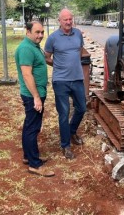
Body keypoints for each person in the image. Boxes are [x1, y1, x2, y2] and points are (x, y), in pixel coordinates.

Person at [44, 9, 87, 160]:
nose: (68, 22)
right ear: (59, 21)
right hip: (60, 81)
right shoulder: (53, 38)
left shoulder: (78, 34)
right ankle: (65, 145)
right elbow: (47, 57)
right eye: (65, 20)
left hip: (77, 79)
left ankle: (72, 131)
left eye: (70, 19)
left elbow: (80, 51)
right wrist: (59, 65)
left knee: (82, 108)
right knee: (64, 113)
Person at [15, 21, 54, 177]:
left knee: (30, 125)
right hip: (32, 95)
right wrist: (36, 97)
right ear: (28, 32)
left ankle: (28, 156)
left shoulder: (33, 46)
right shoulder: (26, 49)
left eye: (42, 32)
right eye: (37, 32)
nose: (40, 35)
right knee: (33, 128)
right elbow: (26, 74)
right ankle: (34, 165)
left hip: (36, 94)